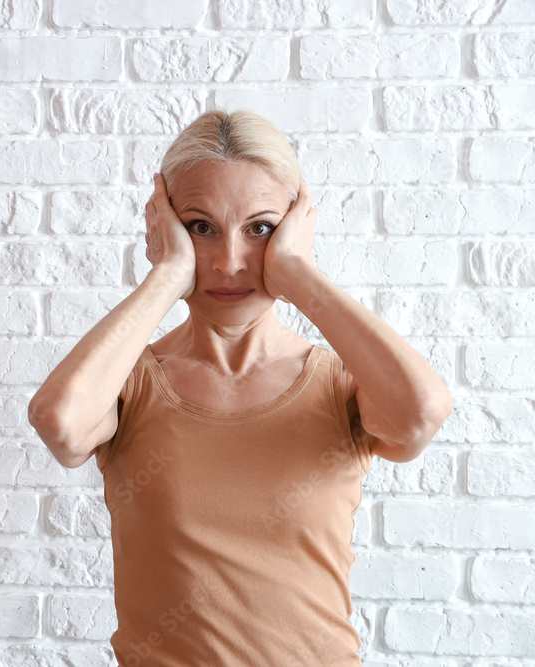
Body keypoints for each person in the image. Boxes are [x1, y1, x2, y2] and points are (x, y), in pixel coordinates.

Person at [27, 109, 454, 665]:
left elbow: (420, 412)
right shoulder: (130, 385)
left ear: (294, 231)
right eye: (201, 227)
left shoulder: (341, 383)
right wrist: (165, 275)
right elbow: (59, 421)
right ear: (165, 229)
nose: (230, 262)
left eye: (261, 229)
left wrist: (297, 273)